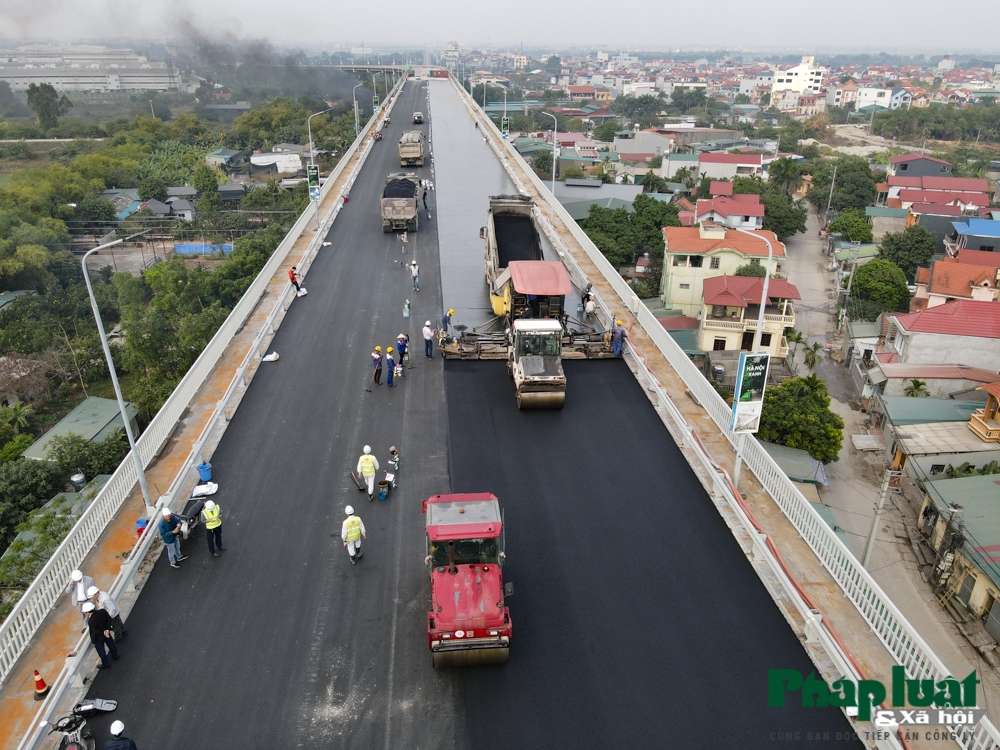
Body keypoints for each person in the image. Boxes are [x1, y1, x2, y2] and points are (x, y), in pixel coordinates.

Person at [83, 601, 118, 669]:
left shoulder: (91, 621)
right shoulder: (103, 611)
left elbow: (95, 631)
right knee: (111, 644)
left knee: (101, 650)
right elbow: (109, 619)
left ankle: (105, 663)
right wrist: (107, 630)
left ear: (87, 612)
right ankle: (115, 655)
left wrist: (103, 633)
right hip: (107, 632)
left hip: (98, 637)